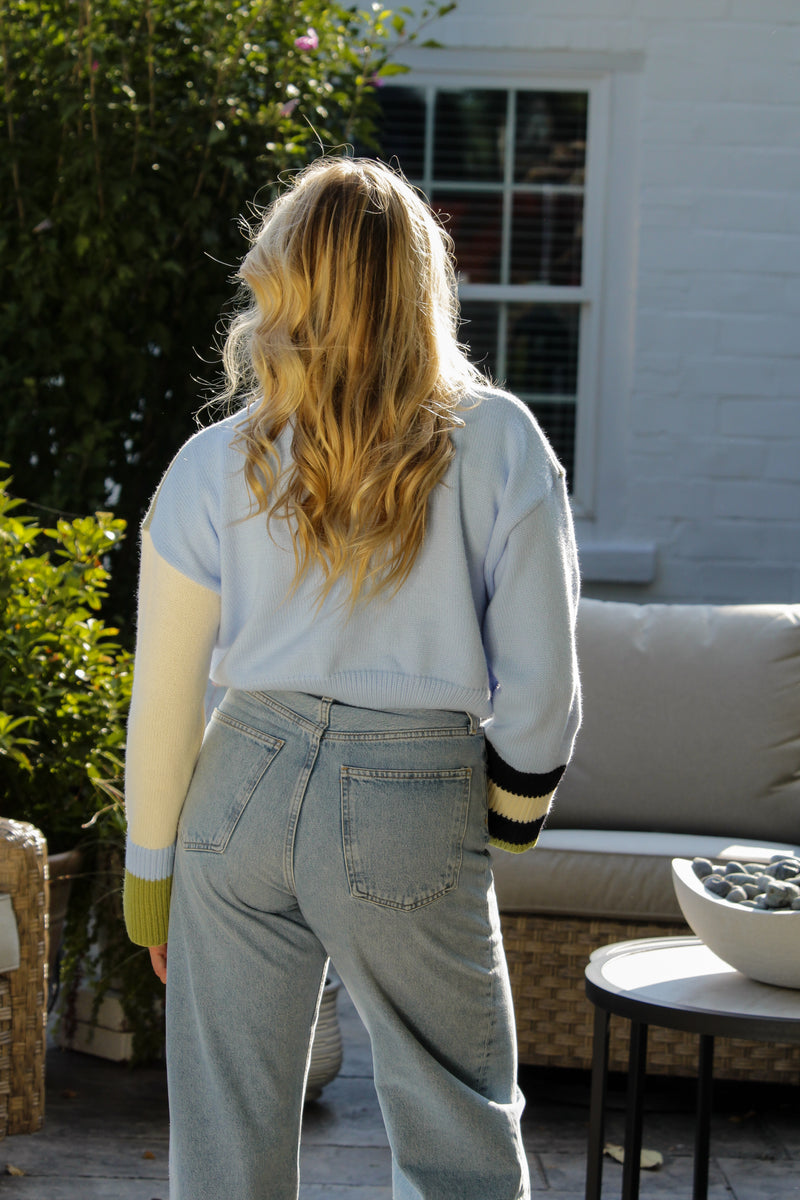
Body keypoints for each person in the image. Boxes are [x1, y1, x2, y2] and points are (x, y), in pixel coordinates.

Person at [123, 156, 581, 1200]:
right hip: (411, 798)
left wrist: (152, 895)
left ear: (281, 283)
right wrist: (501, 821)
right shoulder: (501, 441)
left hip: (234, 793)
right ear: (422, 284)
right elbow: (545, 694)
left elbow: (163, 706)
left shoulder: (210, 460)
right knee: (456, 1129)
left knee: (222, 1145)